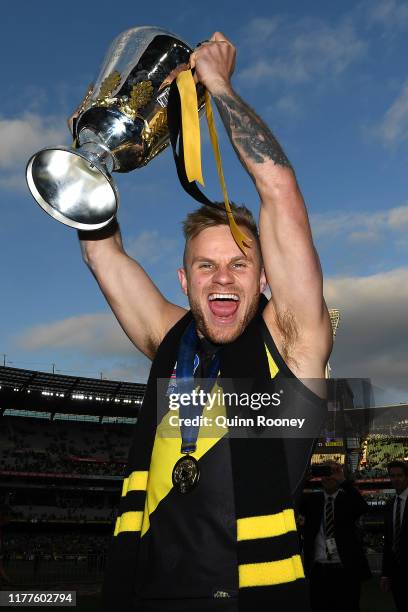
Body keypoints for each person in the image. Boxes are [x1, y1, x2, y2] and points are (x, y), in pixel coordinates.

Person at [78, 32, 333, 612]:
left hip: (253, 600)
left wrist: (217, 85)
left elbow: (281, 192)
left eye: (240, 265)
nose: (223, 279)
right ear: (183, 280)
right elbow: (103, 254)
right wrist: (88, 159)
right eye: (206, 265)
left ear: (264, 281)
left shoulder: (293, 341)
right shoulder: (169, 337)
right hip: (143, 596)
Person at [299, 461, 371, 612]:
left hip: (346, 572)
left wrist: (343, 480)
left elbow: (362, 507)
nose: (329, 476)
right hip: (319, 571)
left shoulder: (348, 499)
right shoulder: (312, 500)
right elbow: (289, 501)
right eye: (325, 472)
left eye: (333, 472)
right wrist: (304, 479)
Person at [381, 460, 408, 612]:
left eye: (400, 475)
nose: (396, 479)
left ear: (407, 477)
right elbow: (389, 542)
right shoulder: (390, 505)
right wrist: (385, 574)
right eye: (392, 476)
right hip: (397, 574)